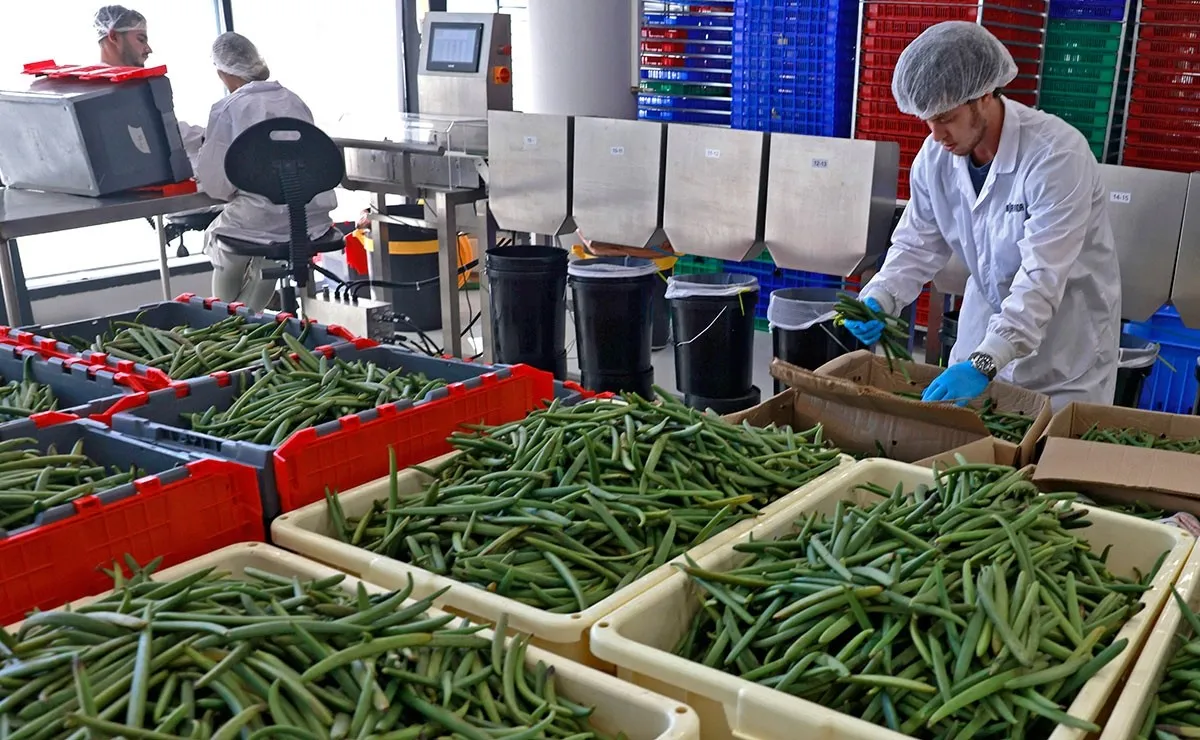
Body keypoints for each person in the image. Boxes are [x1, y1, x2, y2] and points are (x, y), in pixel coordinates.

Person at [844, 22, 1121, 411]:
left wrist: (986, 360)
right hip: (985, 321)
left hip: (1063, 352)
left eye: (947, 116)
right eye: (927, 119)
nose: (936, 133)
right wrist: (881, 295)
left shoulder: (1056, 157)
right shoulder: (936, 158)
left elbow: (1042, 277)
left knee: (1041, 461)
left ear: (985, 94)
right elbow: (917, 243)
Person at [194, 32, 337, 311]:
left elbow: (216, 186)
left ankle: (226, 326)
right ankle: (247, 327)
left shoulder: (228, 109)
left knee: (228, 248)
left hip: (259, 218)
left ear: (222, 72)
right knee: (269, 254)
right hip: (308, 215)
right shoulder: (293, 100)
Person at [93, 6, 206, 165]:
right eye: (141, 39)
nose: (148, 49)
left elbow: (163, 129)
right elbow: (155, 133)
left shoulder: (125, 86)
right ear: (114, 36)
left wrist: (207, 135)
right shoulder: (102, 91)